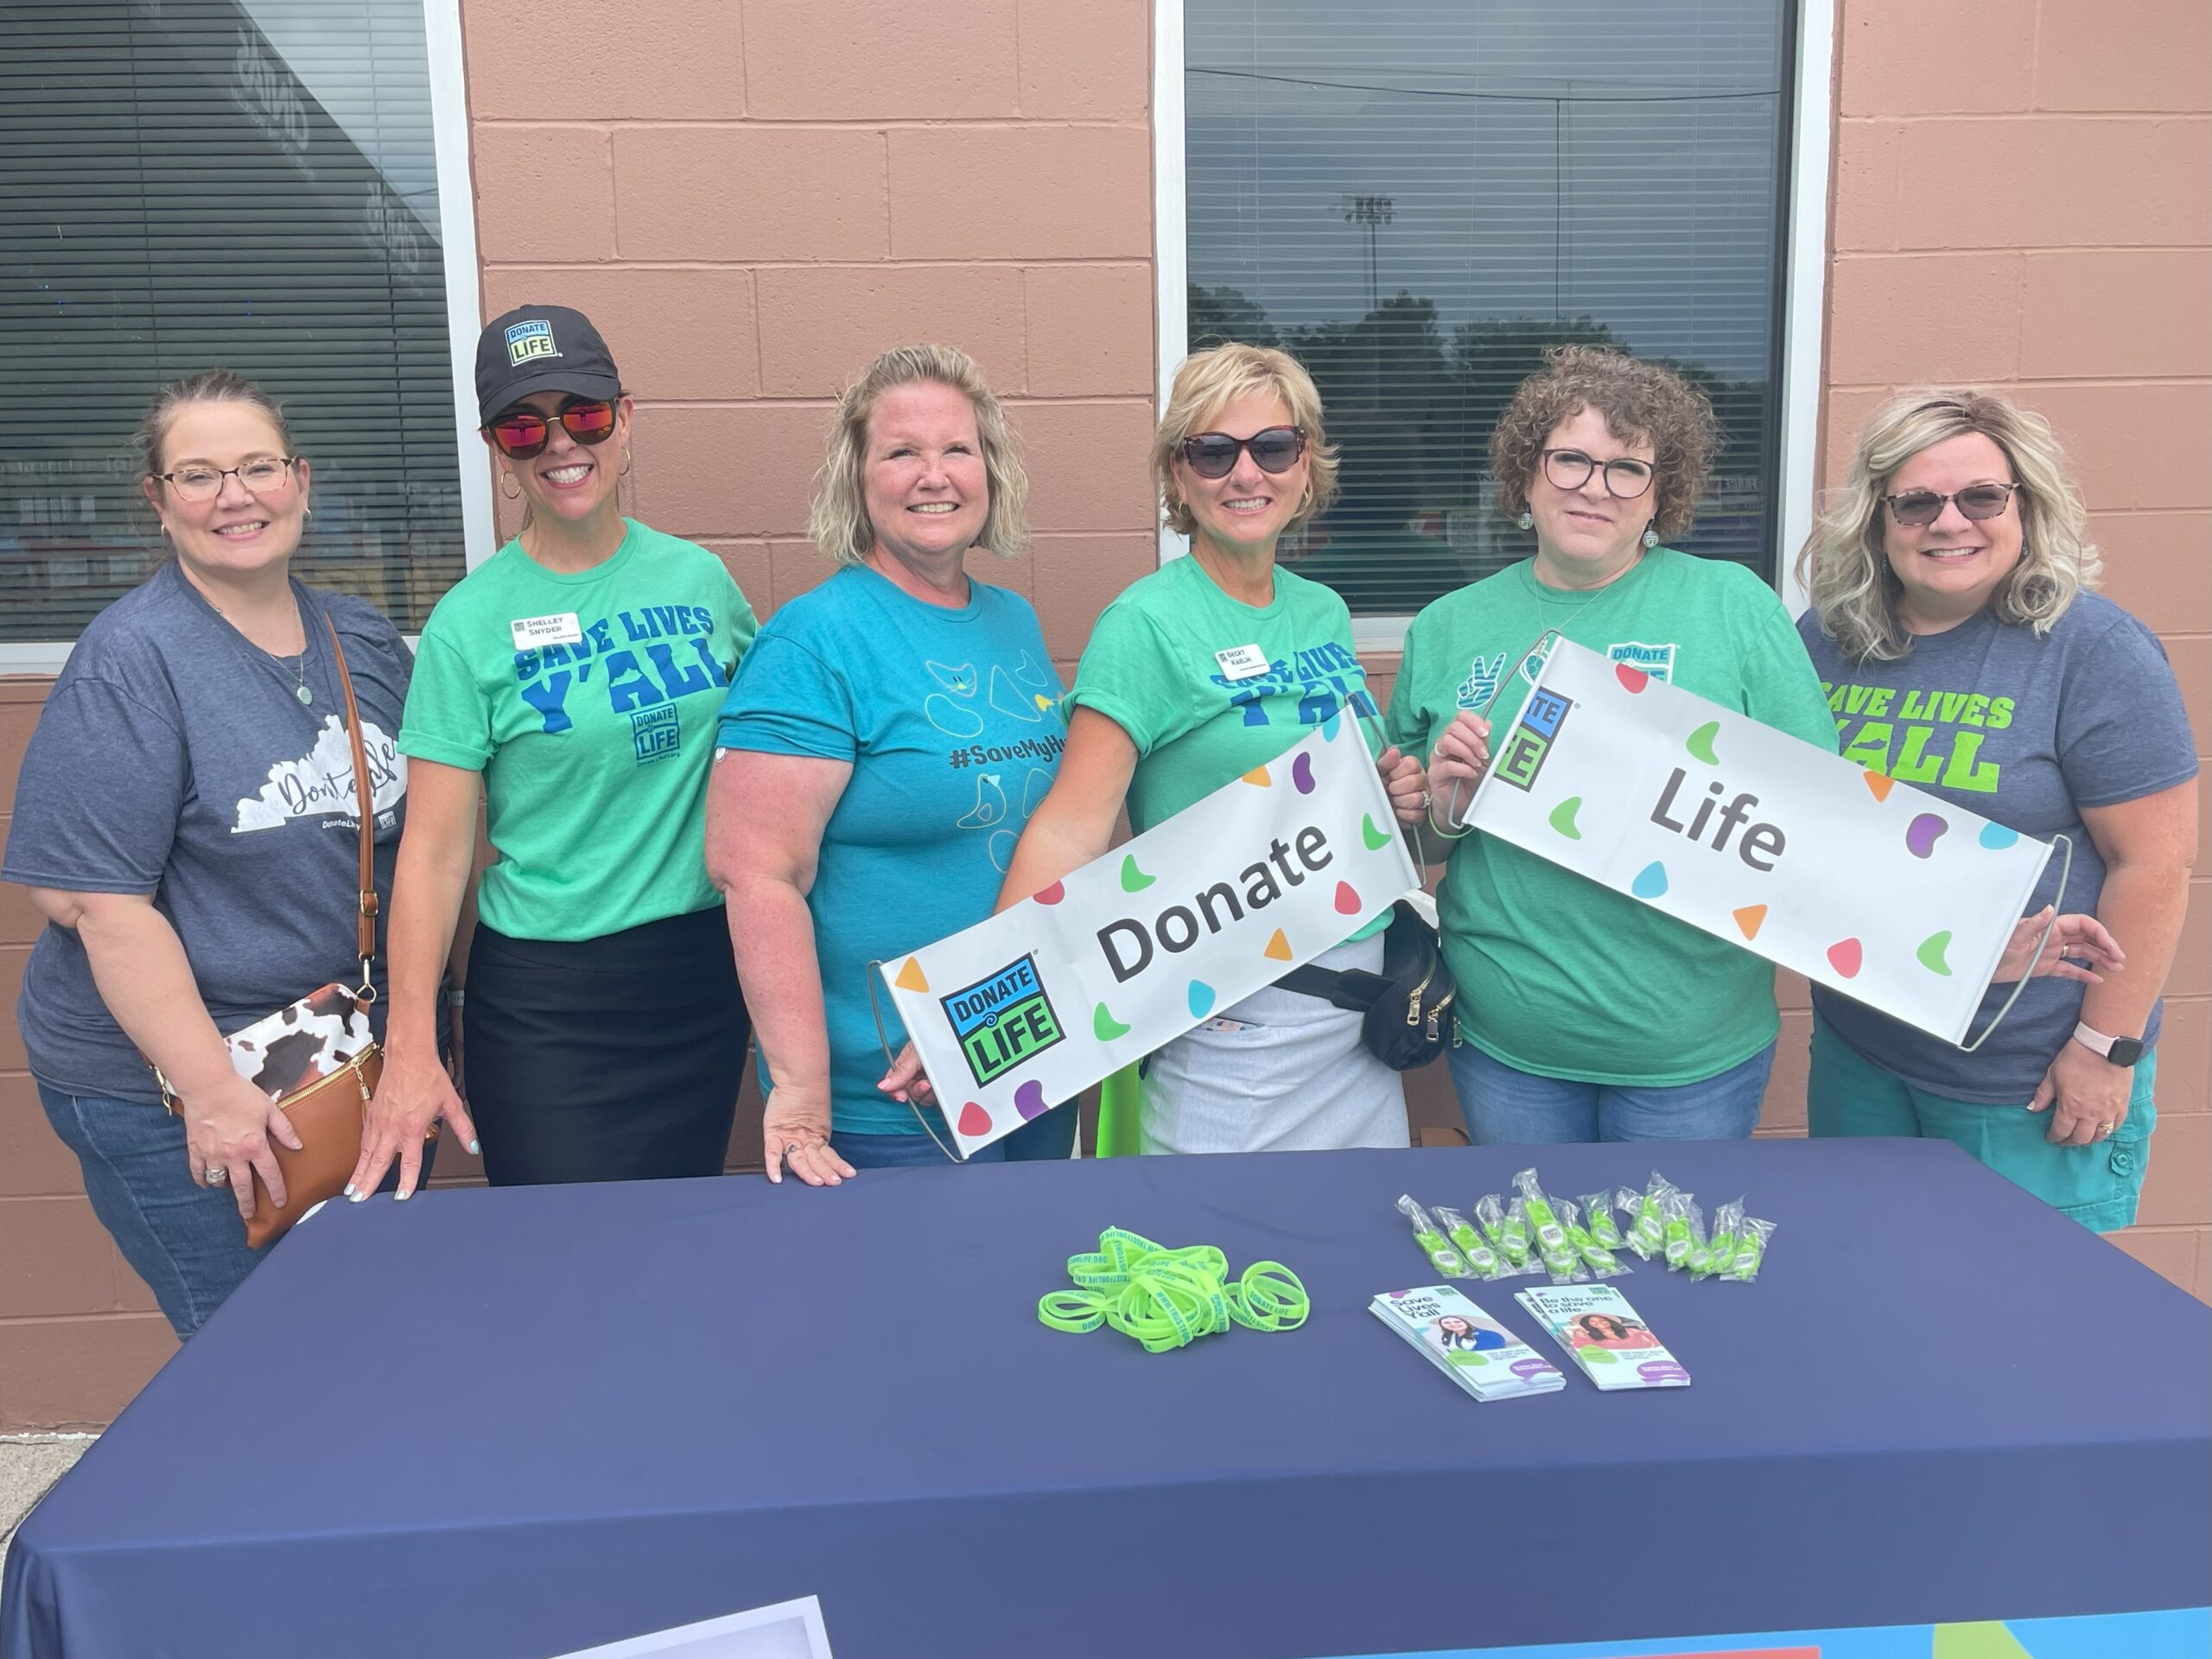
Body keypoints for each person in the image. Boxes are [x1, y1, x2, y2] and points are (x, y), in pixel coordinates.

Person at [3, 371, 422, 1335]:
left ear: (301, 480)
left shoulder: (358, 639)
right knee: (251, 1351)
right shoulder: (134, 660)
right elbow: (93, 905)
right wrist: (213, 1096)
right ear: (158, 502)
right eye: (198, 476)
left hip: (330, 1057)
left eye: (257, 467)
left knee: (355, 1323)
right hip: (178, 1085)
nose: (236, 497)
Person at [353, 305, 759, 1193]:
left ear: (625, 417)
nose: (558, 444)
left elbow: (770, 761)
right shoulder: (469, 624)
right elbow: (431, 854)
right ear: (497, 449)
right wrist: (413, 1048)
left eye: (583, 413)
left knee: (673, 1235)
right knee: (563, 1260)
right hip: (549, 1000)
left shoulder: (702, 581)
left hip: (699, 974)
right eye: (523, 425)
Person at [1389, 346, 1838, 1144]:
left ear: (1661, 493)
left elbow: (1818, 815)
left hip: (1690, 1049)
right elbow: (1412, 840)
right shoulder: (1450, 626)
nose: (1595, 488)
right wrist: (1449, 809)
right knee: (1535, 1263)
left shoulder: (1731, 605)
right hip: (1510, 1042)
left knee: (1671, 1266)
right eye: (1570, 461)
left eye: (1627, 469)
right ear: (1526, 475)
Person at [992, 343, 1428, 1155]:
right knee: (1210, 1264)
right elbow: (1069, 829)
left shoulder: (1323, 610)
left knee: (1344, 1259)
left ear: (1306, 466)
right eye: (1213, 451)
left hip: (1361, 1023)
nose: (1245, 474)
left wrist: (1388, 791)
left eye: (1273, 447)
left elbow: (1328, 783)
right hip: (1233, 1014)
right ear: (1178, 475)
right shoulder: (1146, 624)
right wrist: (987, 1000)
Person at [1796, 389, 2197, 1230]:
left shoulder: (2092, 650)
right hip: (1863, 1050)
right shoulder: (1828, 643)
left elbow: (2153, 865)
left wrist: (2104, 1049)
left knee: (2018, 1328)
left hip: (2022, 1070)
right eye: (1916, 501)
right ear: (1878, 518)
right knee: (1863, 1293)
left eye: (1980, 496)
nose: (1949, 522)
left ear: (2025, 508)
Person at [710, 345, 1070, 1182]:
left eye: (957, 449)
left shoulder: (1010, 621)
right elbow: (754, 872)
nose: (933, 475)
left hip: (1027, 1056)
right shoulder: (814, 639)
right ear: (858, 479)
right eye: (901, 452)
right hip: (891, 1097)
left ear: (990, 469)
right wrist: (800, 1097)